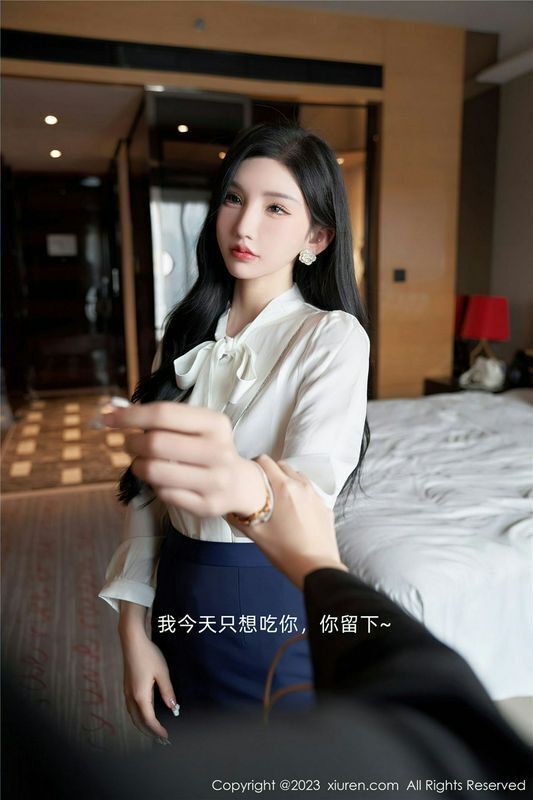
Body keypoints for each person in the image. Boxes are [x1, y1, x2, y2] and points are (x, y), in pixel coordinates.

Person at [98, 123, 371, 739]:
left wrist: (227, 472)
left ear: (317, 237)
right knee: (183, 759)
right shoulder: (187, 334)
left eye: (276, 208)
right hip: (178, 586)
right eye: (234, 198)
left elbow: (308, 490)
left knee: (264, 768)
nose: (244, 225)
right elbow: (145, 496)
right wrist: (132, 630)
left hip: (266, 592)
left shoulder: (330, 338)